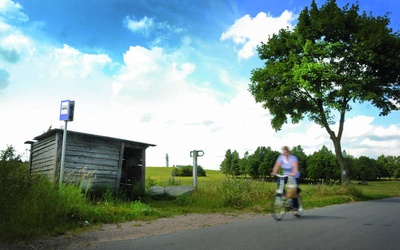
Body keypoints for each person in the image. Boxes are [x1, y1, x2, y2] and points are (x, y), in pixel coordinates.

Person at [271, 146, 301, 216]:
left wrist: (293, 173)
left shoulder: (293, 158)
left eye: (286, 152)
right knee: (279, 183)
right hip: (285, 175)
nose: (285, 153)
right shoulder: (280, 157)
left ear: (288, 152)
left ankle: (295, 209)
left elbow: (295, 166)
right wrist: (274, 172)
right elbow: (277, 165)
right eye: (284, 152)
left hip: (294, 175)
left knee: (293, 191)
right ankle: (284, 195)